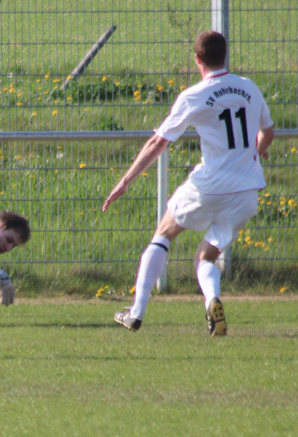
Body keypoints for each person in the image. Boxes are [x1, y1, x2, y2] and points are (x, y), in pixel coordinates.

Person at [103, 30, 275, 336]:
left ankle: (136, 313)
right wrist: (253, 158)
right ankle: (212, 301)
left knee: (164, 233)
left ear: (197, 59)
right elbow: (268, 134)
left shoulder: (195, 95)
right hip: (246, 192)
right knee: (207, 256)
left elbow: (158, 142)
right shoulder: (249, 88)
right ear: (225, 54)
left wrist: (125, 180)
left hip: (210, 185)